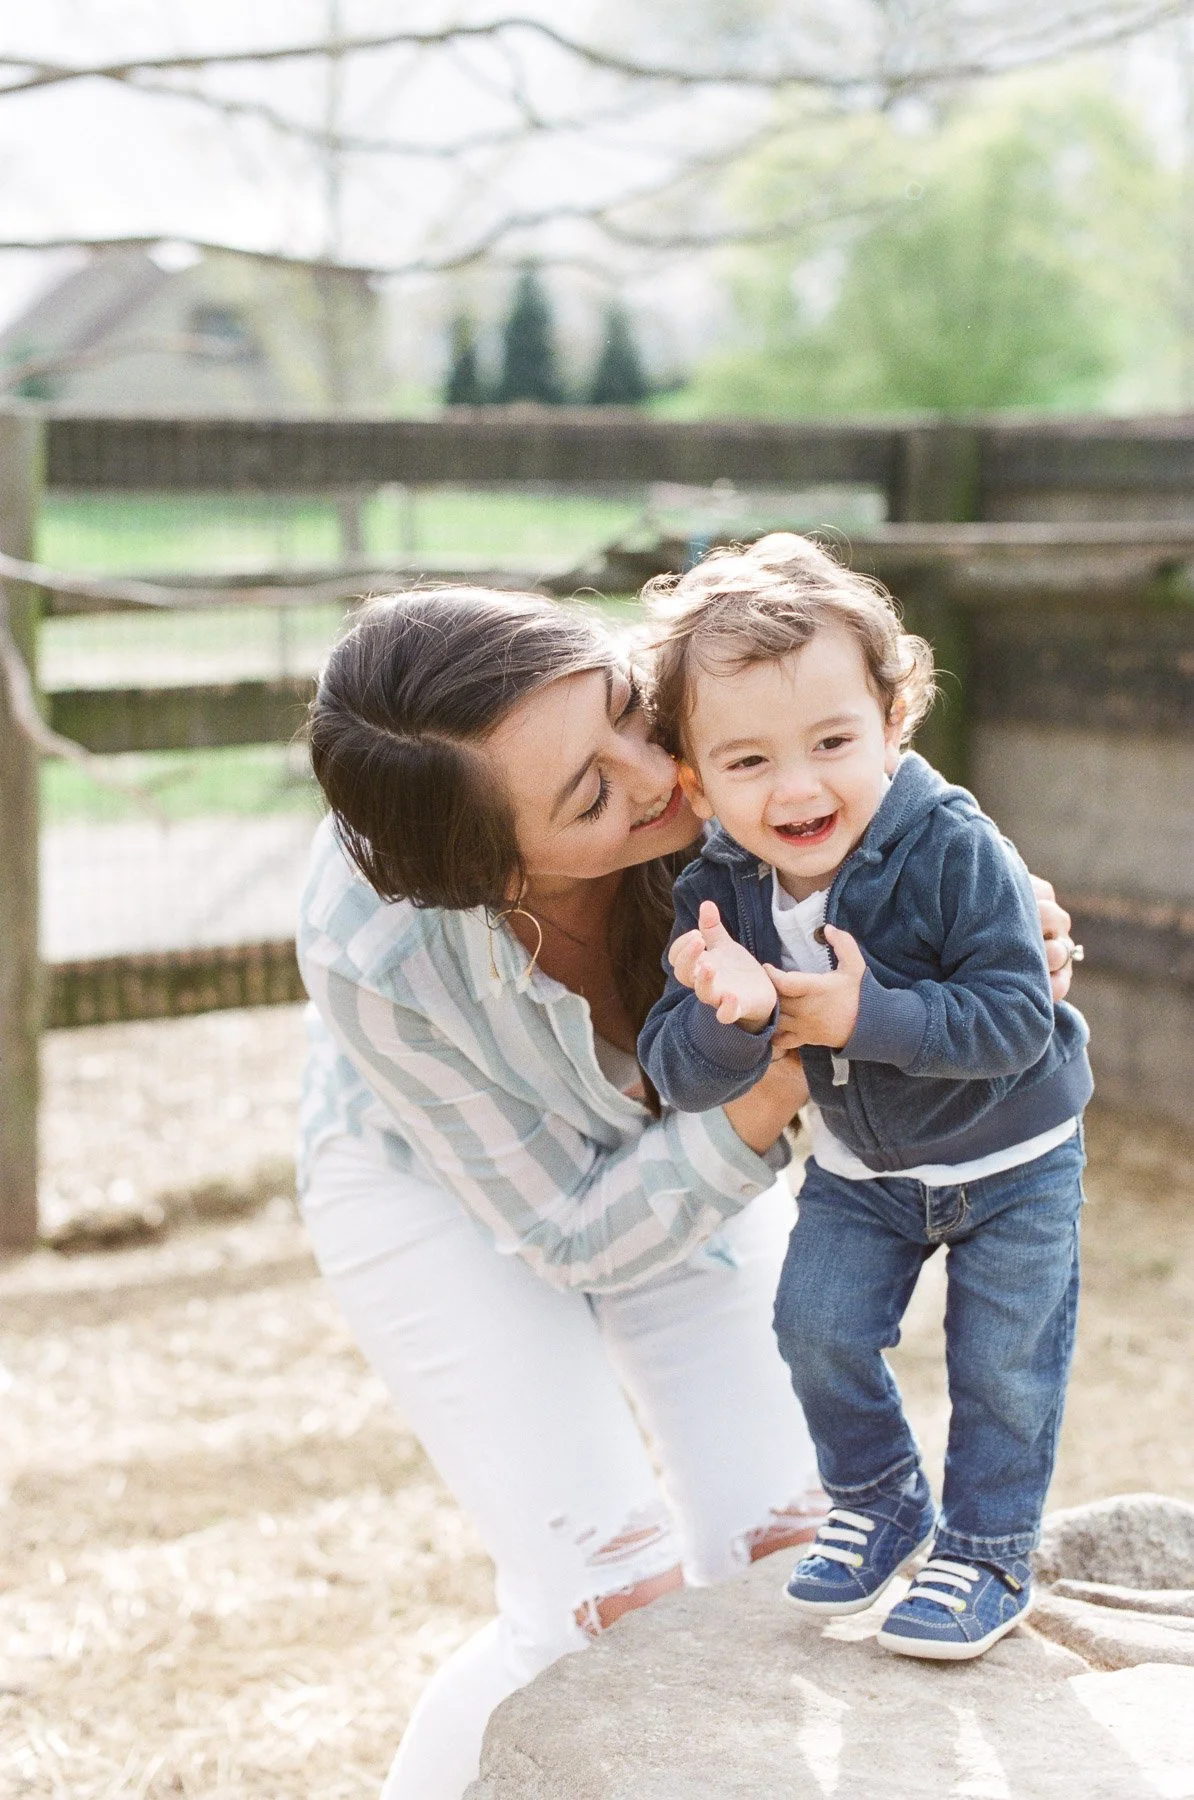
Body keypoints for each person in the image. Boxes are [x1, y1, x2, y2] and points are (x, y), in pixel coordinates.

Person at [299, 584, 1079, 1796]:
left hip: (693, 1158)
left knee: (793, 1549)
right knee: (603, 1600)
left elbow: (895, 822)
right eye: (592, 795)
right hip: (442, 1187)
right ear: (495, 871)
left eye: (625, 710)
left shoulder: (716, 752)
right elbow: (565, 1227)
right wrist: (776, 1088)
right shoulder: (377, 944)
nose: (661, 774)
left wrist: (997, 940)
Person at [638, 533, 1092, 1662]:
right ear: (693, 778)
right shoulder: (718, 892)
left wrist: (860, 1017)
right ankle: (883, 1498)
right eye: (746, 763)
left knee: (1003, 1364)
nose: (797, 787)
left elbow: (1013, 1019)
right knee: (816, 1327)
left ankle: (987, 1551)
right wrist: (726, 1014)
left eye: (832, 741)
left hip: (1013, 1158)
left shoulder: (952, 848)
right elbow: (677, 1071)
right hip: (863, 1170)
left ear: (894, 721)